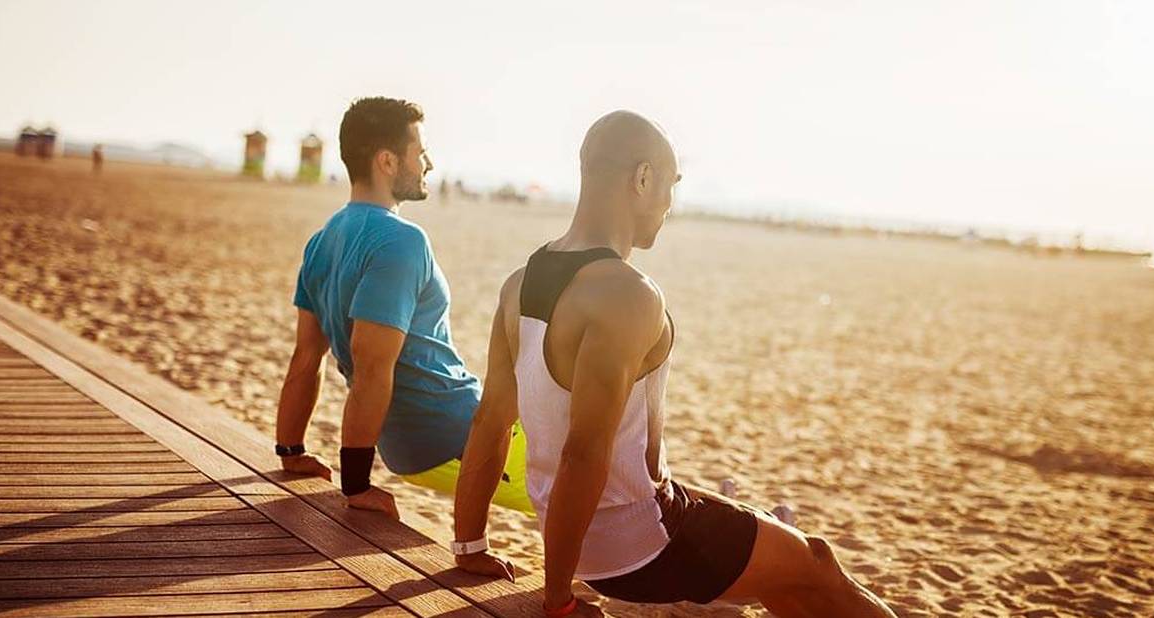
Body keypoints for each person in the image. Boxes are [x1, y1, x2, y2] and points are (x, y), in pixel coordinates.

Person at [451, 111, 896, 617]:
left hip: (588, 530)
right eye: (670, 185)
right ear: (642, 178)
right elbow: (584, 453)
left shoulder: (519, 283)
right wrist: (558, 603)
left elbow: (491, 421)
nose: (668, 205)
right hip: (641, 543)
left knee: (784, 574)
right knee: (816, 561)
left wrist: (469, 547)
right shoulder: (627, 294)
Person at [274, 96, 531, 517]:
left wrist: (291, 449)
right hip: (455, 435)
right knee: (602, 482)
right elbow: (372, 365)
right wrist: (356, 488)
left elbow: (306, 357)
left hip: (410, 445)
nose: (429, 164)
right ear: (387, 162)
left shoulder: (323, 240)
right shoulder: (401, 241)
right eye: (421, 153)